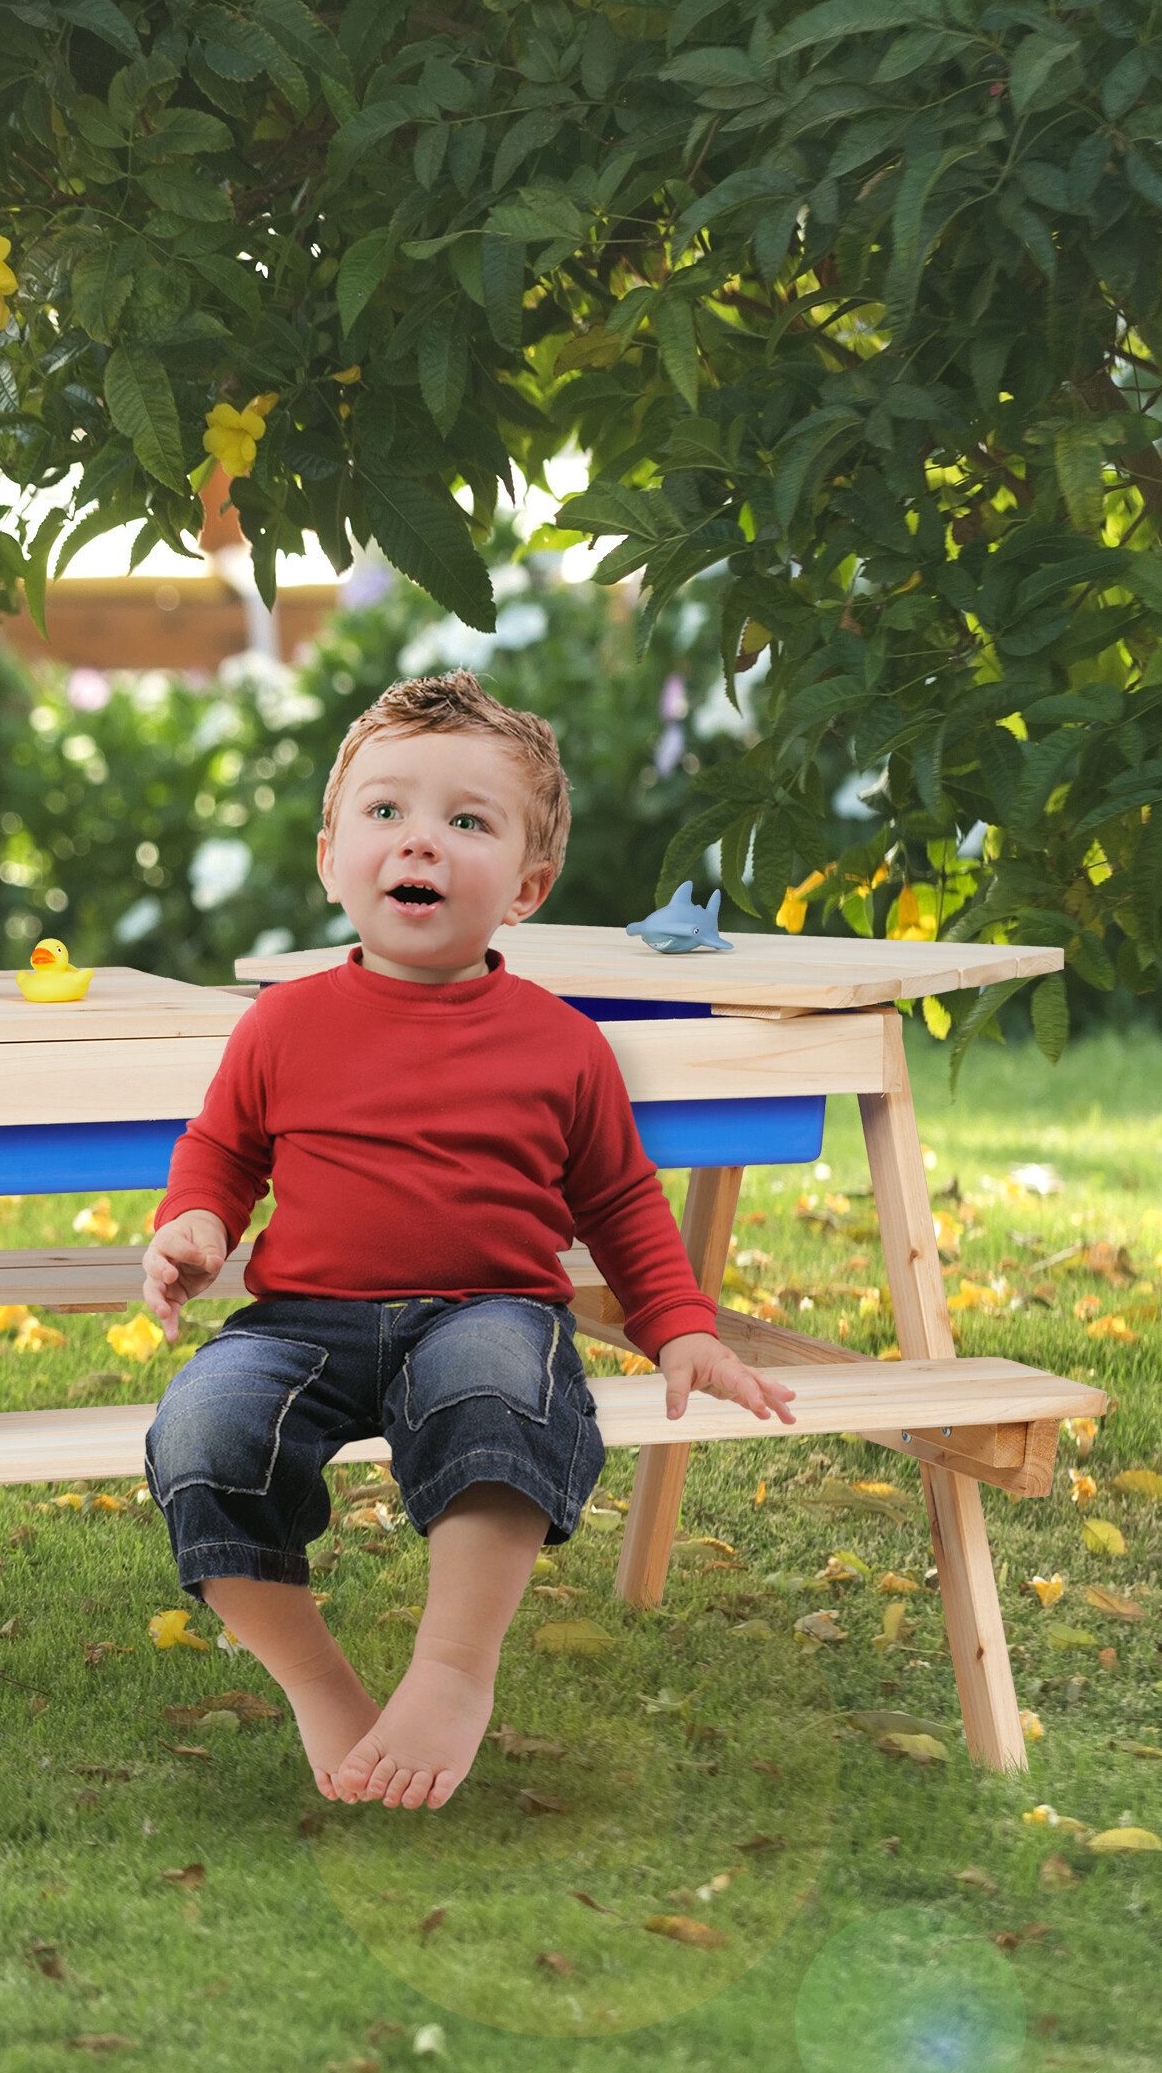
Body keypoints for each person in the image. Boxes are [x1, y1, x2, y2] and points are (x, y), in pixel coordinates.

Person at [138, 671, 796, 1812]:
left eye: (467, 821)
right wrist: (193, 1226)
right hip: (299, 1325)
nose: (421, 843)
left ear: (528, 885)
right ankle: (316, 1680)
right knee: (201, 1428)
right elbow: (221, 1152)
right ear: (331, 856)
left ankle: (451, 1669)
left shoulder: (561, 1045)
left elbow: (623, 1204)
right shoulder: (282, 1021)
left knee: (501, 1398)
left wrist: (681, 1328)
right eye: (386, 813)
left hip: (485, 1312)